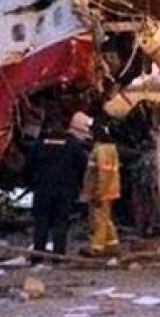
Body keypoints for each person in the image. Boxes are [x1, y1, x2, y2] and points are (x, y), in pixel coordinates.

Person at [25, 112, 91, 264]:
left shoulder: (39, 144)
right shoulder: (72, 145)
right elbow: (82, 166)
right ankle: (58, 257)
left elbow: (28, 166)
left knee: (41, 223)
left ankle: (37, 257)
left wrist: (32, 182)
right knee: (60, 223)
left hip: (43, 190)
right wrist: (78, 185)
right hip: (64, 191)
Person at [80, 123, 122, 257]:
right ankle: (112, 245)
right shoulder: (108, 149)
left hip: (102, 192)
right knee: (105, 218)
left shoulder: (102, 150)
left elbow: (103, 174)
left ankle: (96, 248)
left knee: (98, 220)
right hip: (107, 190)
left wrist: (98, 193)